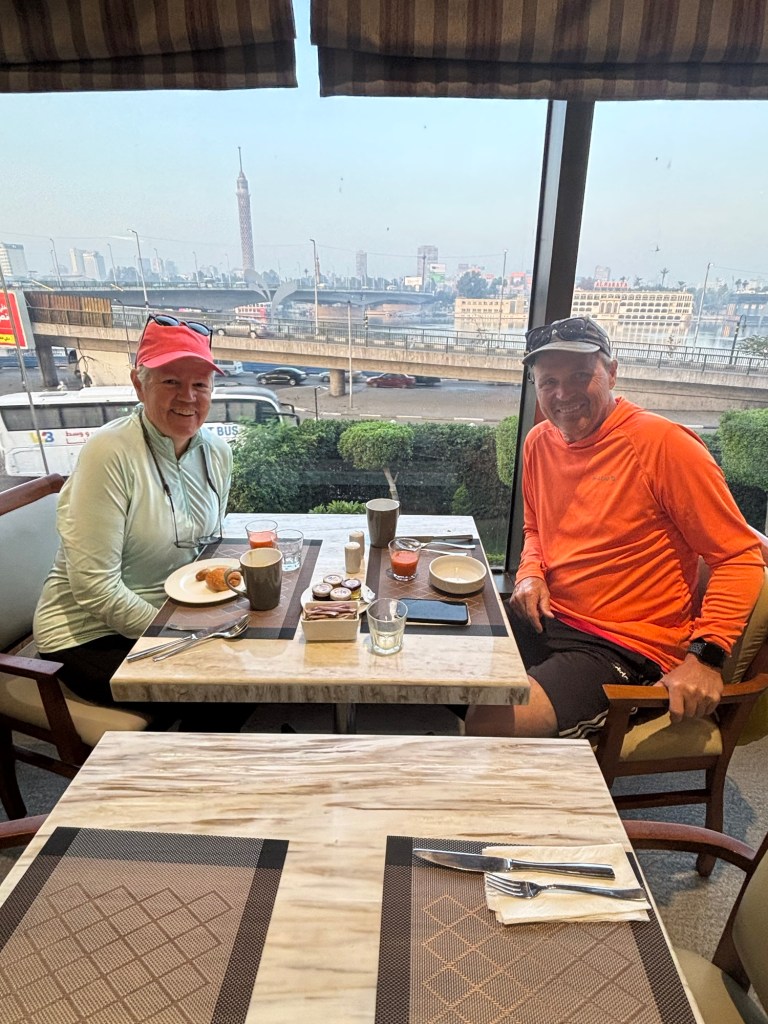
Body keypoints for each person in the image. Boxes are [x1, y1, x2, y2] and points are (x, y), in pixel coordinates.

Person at [466, 316, 764, 739]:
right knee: (439, 659)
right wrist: (531, 573)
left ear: (611, 373)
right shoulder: (538, 442)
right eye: (549, 381)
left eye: (580, 376)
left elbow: (739, 557)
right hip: (548, 617)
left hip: (624, 646)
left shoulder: (664, 445)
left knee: (493, 723)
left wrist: (705, 657)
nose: (563, 394)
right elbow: (536, 530)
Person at [33, 314, 248, 730]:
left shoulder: (217, 452)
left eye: (200, 384)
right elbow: (94, 588)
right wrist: (179, 633)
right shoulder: (109, 453)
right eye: (170, 381)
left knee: (251, 662)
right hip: (87, 635)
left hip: (172, 611)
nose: (188, 397)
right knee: (223, 689)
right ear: (139, 384)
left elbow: (205, 547)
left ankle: (209, 757)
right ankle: (185, 767)